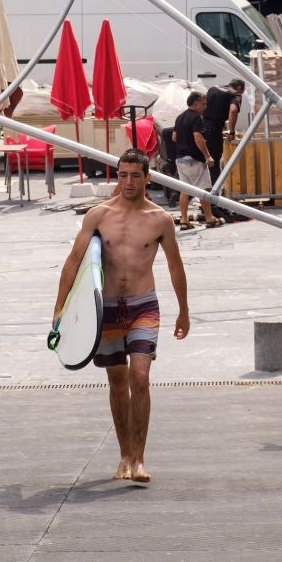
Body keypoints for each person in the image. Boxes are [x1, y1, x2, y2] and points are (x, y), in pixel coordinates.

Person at [54, 147, 190, 482]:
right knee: (117, 382)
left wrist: (184, 311)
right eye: (123, 174)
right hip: (108, 309)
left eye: (135, 175)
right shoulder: (98, 215)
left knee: (140, 377)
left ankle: (139, 459)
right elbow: (74, 260)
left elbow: (175, 266)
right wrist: (60, 308)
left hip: (143, 305)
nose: (128, 182)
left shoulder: (160, 219)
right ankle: (124, 455)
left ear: (148, 178)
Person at [173, 91, 219, 230]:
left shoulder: (180, 117)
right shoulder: (197, 118)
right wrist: (208, 156)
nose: (205, 107)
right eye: (203, 104)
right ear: (196, 103)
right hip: (194, 159)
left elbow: (174, 137)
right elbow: (197, 137)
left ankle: (185, 221)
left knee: (184, 191)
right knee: (203, 190)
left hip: (180, 159)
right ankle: (210, 218)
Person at [201, 79, 244, 183]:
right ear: (239, 88)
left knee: (200, 159)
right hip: (213, 129)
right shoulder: (234, 95)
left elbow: (206, 106)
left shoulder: (213, 88)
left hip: (201, 126)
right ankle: (215, 191)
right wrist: (232, 131)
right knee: (213, 161)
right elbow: (233, 110)